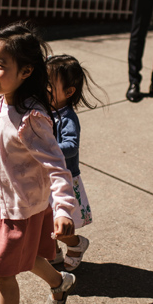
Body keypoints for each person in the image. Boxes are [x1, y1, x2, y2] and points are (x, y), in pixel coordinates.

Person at [0, 22, 79, 304]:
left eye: (0, 66)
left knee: (3, 272)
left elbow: (58, 166)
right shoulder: (6, 96)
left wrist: (63, 209)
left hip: (20, 204)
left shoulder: (31, 117)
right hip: (3, 195)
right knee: (23, 256)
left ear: (26, 71)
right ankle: (60, 282)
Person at [46, 54, 103, 272]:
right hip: (43, 178)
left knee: (59, 226)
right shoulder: (43, 109)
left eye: (49, 85)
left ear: (68, 92)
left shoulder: (66, 117)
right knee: (43, 222)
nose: (42, 88)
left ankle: (76, 244)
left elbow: (71, 146)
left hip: (63, 178)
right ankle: (53, 252)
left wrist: (46, 151)